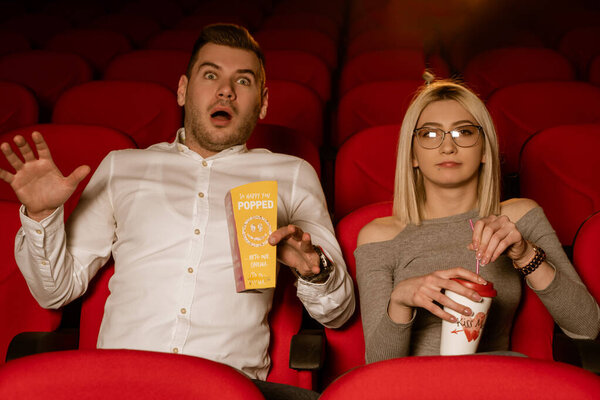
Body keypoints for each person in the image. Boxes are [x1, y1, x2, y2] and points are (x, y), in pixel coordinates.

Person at [0, 24, 355, 399]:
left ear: (263, 102)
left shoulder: (292, 174)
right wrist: (41, 215)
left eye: (244, 81)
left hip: (227, 387)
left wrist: (314, 271)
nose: (225, 90)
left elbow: (340, 313)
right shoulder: (122, 166)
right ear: (183, 89)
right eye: (211, 75)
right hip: (119, 382)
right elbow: (55, 291)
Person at [355, 78, 599, 362]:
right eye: (431, 135)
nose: (448, 147)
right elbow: (378, 366)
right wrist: (400, 301)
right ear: (412, 155)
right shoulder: (378, 236)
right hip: (416, 387)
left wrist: (525, 255)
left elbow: (587, 328)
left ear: (485, 150)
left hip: (496, 384)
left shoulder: (517, 217)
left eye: (464, 132)